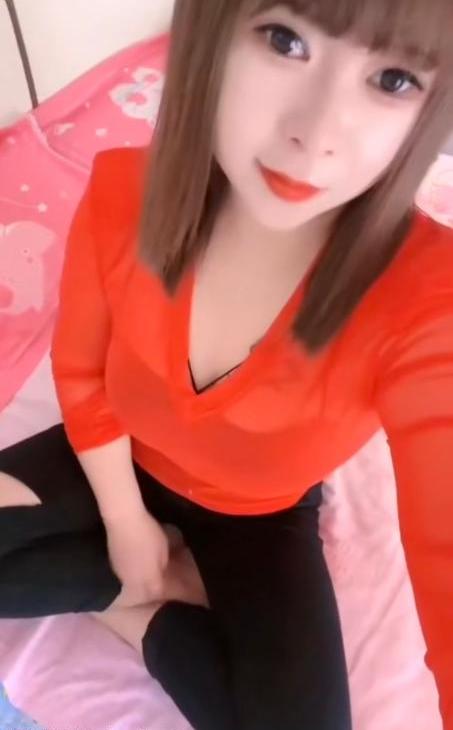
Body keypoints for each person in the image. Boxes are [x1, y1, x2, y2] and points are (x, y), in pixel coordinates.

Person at [0, 0, 452, 728]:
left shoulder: (427, 298)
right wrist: (125, 522)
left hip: (259, 516)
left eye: (393, 80)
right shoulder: (124, 194)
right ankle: (125, 586)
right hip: (118, 456)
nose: (314, 136)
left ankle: (146, 615)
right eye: (285, 40)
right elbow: (82, 375)